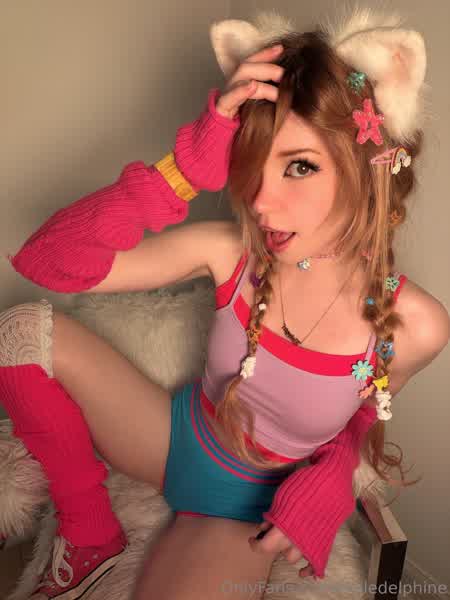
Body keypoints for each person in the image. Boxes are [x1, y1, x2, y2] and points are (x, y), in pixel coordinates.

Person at [0, 6, 449, 600]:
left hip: (238, 508)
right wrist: (183, 169)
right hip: (171, 437)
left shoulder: (415, 324)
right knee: (19, 332)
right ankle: (87, 534)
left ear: (370, 171)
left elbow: (364, 417)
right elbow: (47, 262)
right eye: (252, 166)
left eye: (299, 166)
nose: (260, 202)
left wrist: (332, 484)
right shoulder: (231, 252)